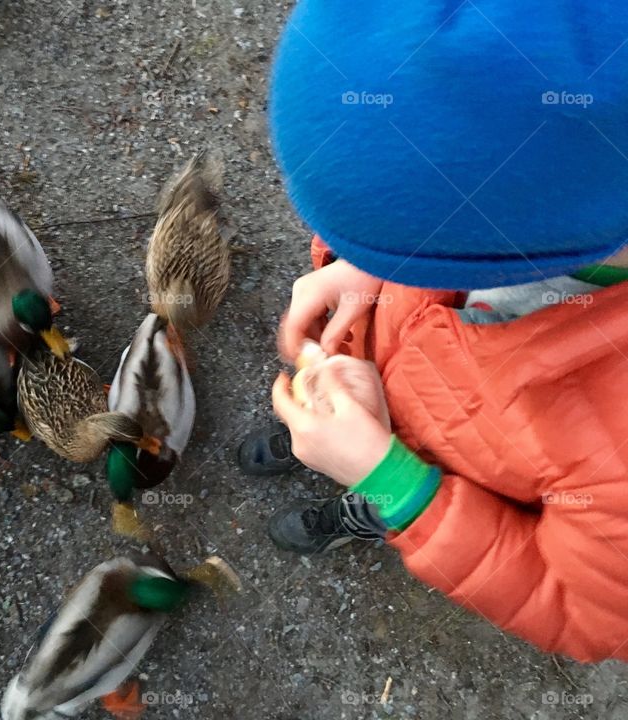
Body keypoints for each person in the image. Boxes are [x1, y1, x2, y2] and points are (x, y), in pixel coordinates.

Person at [240, 0, 628, 663]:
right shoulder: (541, 192)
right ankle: (341, 442)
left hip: (462, 475)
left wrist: (397, 484)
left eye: (415, 254)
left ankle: (365, 503)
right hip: (400, 365)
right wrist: (362, 270)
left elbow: (585, 611)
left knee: (380, 486)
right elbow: (446, 184)